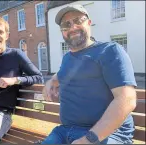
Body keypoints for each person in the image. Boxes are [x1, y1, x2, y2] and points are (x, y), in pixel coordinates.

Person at [42, 4, 137, 144]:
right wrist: (50, 81)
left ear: (89, 23)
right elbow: (61, 75)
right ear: (62, 31)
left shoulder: (110, 51)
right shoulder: (67, 58)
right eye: (66, 24)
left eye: (78, 21)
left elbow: (127, 99)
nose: (72, 27)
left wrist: (88, 139)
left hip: (106, 135)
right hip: (64, 131)